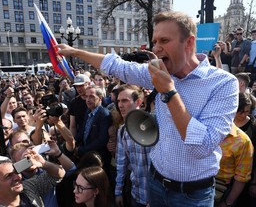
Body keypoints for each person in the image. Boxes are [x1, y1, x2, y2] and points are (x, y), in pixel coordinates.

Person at [56, 11, 239, 206]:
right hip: (155, 184)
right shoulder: (158, 72)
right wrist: (75, 52)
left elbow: (202, 146)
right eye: (155, 41)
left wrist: (169, 93)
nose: (157, 49)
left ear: (189, 42)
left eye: (164, 41)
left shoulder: (223, 84)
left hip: (192, 195)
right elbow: (119, 67)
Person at [114, 84, 151, 207]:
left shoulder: (153, 126)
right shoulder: (122, 130)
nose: (120, 105)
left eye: (125, 100)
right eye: (118, 101)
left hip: (157, 198)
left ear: (138, 102)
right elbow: (121, 163)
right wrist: (118, 191)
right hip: (136, 195)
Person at [0, 156, 65, 206]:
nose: (17, 177)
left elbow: (58, 174)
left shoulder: (28, 187)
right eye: (8, 176)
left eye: (16, 172)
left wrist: (43, 164)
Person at [215, 123, 254, 207]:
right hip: (190, 186)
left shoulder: (242, 140)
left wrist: (227, 203)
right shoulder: (200, 131)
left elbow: (242, 177)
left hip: (219, 189)